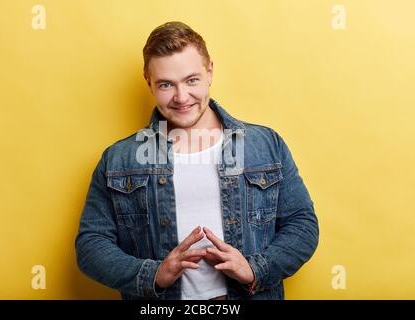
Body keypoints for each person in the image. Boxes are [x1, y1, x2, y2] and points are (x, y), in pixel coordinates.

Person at [75, 21, 319, 300]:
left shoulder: (264, 145)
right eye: (166, 84)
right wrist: (153, 275)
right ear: (149, 82)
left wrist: (255, 269)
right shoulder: (118, 160)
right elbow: (91, 246)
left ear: (210, 71)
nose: (181, 97)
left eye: (192, 80)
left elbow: (302, 224)